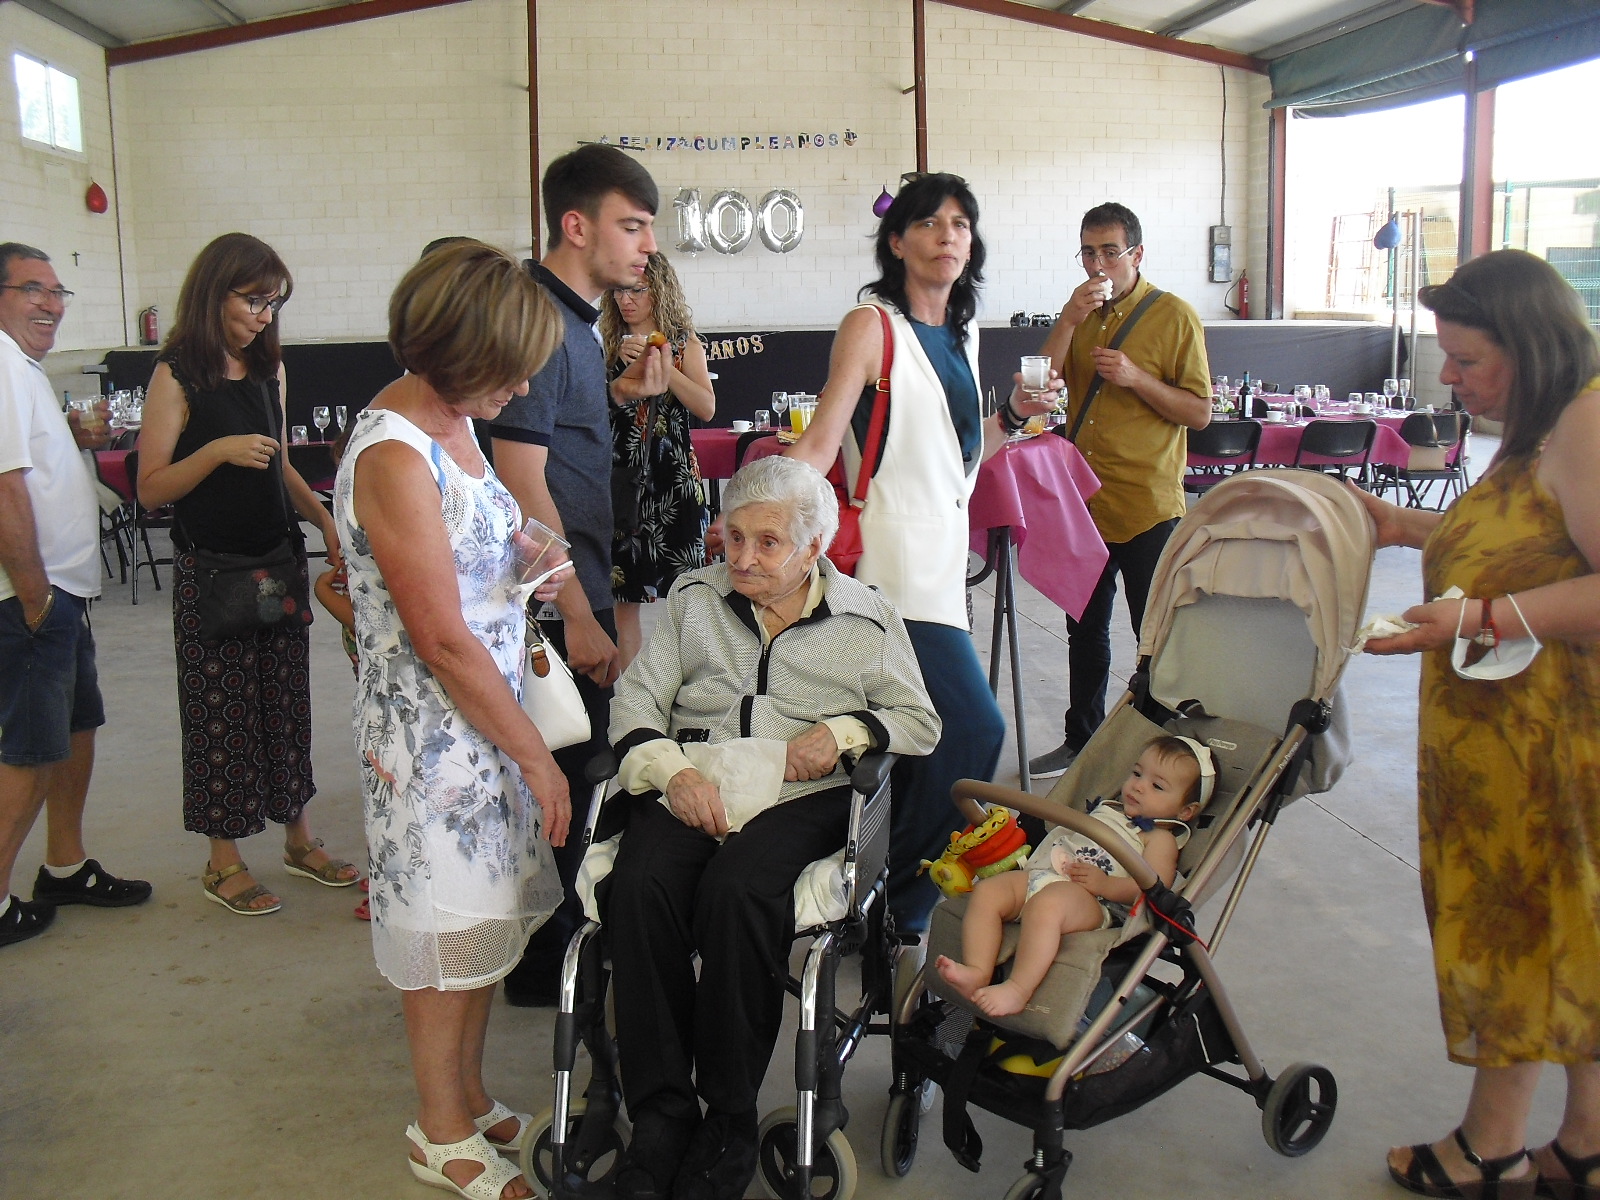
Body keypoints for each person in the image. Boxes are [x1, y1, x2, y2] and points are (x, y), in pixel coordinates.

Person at [604, 455, 940, 1200]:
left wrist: (847, 731)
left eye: (767, 543)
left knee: (737, 891)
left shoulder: (865, 618)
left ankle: (728, 1118)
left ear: (814, 546)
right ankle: (660, 1115)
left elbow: (921, 721)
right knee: (641, 884)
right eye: (734, 538)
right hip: (699, 773)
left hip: (802, 791)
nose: (744, 559)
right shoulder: (694, 599)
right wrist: (671, 772)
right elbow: (636, 702)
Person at [1357, 250, 1600, 1200]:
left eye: (1466, 359)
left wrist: (1478, 620)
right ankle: (1586, 1144)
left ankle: (1489, 1149)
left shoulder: (1584, 425)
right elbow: (1527, 546)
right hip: (1506, 735)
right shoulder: (1543, 427)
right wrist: (1406, 525)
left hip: (1542, 746)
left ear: (1530, 347)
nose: (1449, 378)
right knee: (1568, 927)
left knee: (1517, 929)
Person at [335, 240, 573, 1200]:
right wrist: (539, 759)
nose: (522, 389)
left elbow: (475, 551)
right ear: (454, 352)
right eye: (507, 370)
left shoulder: (457, 421)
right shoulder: (394, 454)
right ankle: (437, 1130)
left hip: (487, 726)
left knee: (483, 922)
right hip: (434, 739)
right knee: (445, 932)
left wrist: (526, 559)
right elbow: (437, 636)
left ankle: (467, 1097)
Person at [786, 172, 1056, 934]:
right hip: (892, 570)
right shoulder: (872, 327)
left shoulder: (964, 335)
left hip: (944, 568)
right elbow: (820, 443)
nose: (949, 235)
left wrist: (1012, 417)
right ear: (897, 242)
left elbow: (956, 465)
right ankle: (891, 903)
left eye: (961, 223)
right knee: (973, 728)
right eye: (931, 223)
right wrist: (759, 516)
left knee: (919, 741)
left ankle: (877, 895)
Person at [492, 142, 668, 1006]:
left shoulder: (571, 323)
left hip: (575, 587)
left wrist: (619, 398)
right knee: (570, 786)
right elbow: (521, 481)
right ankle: (549, 965)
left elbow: (558, 446)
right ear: (576, 225)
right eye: (631, 226)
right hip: (554, 603)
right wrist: (578, 612)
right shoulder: (537, 323)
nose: (647, 246)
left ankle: (554, 958)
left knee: (579, 784)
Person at [137, 232, 353, 916]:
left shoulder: (268, 370)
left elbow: (279, 462)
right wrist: (216, 451)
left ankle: (299, 839)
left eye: (274, 304)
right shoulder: (177, 375)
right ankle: (222, 860)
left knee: (285, 709)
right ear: (214, 292)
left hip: (276, 560)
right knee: (220, 715)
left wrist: (324, 521)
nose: (264, 316)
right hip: (211, 569)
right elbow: (150, 487)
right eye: (253, 300)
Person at [0, 242, 151, 948]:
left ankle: (63, 864)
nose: (51, 304)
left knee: (73, 730)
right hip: (34, 599)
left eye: (57, 291)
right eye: (32, 289)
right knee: (30, 753)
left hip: (63, 594)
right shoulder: (1, 364)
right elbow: (4, 488)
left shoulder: (22, 369)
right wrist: (34, 596)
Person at [1029, 203, 1212, 779]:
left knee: (1153, 638)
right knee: (1083, 632)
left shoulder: (1175, 316)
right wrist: (1066, 320)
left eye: (1110, 251)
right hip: (1084, 503)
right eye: (1088, 252)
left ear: (1137, 253)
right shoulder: (1080, 314)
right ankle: (1080, 742)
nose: (1098, 264)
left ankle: (1154, 754)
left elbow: (1200, 412)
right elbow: (1038, 386)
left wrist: (1137, 378)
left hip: (1147, 504)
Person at [935, 736, 1211, 1019]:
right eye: (1137, 773)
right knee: (988, 892)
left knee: (1047, 906)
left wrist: (1106, 885)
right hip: (1043, 875)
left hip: (1092, 901)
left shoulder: (1160, 839)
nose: (1139, 786)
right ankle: (977, 971)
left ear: (1185, 811)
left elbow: (1154, 887)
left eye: (1157, 786)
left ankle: (1018, 989)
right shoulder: (1107, 809)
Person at [599, 251, 715, 669]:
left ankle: (688, 688)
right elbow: (589, 414)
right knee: (623, 598)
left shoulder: (684, 343)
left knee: (687, 595)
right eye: (618, 291)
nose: (625, 300)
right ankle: (630, 695)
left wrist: (665, 367)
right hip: (621, 477)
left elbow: (706, 408)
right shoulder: (604, 344)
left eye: (637, 290)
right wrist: (618, 368)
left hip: (674, 479)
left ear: (659, 290)